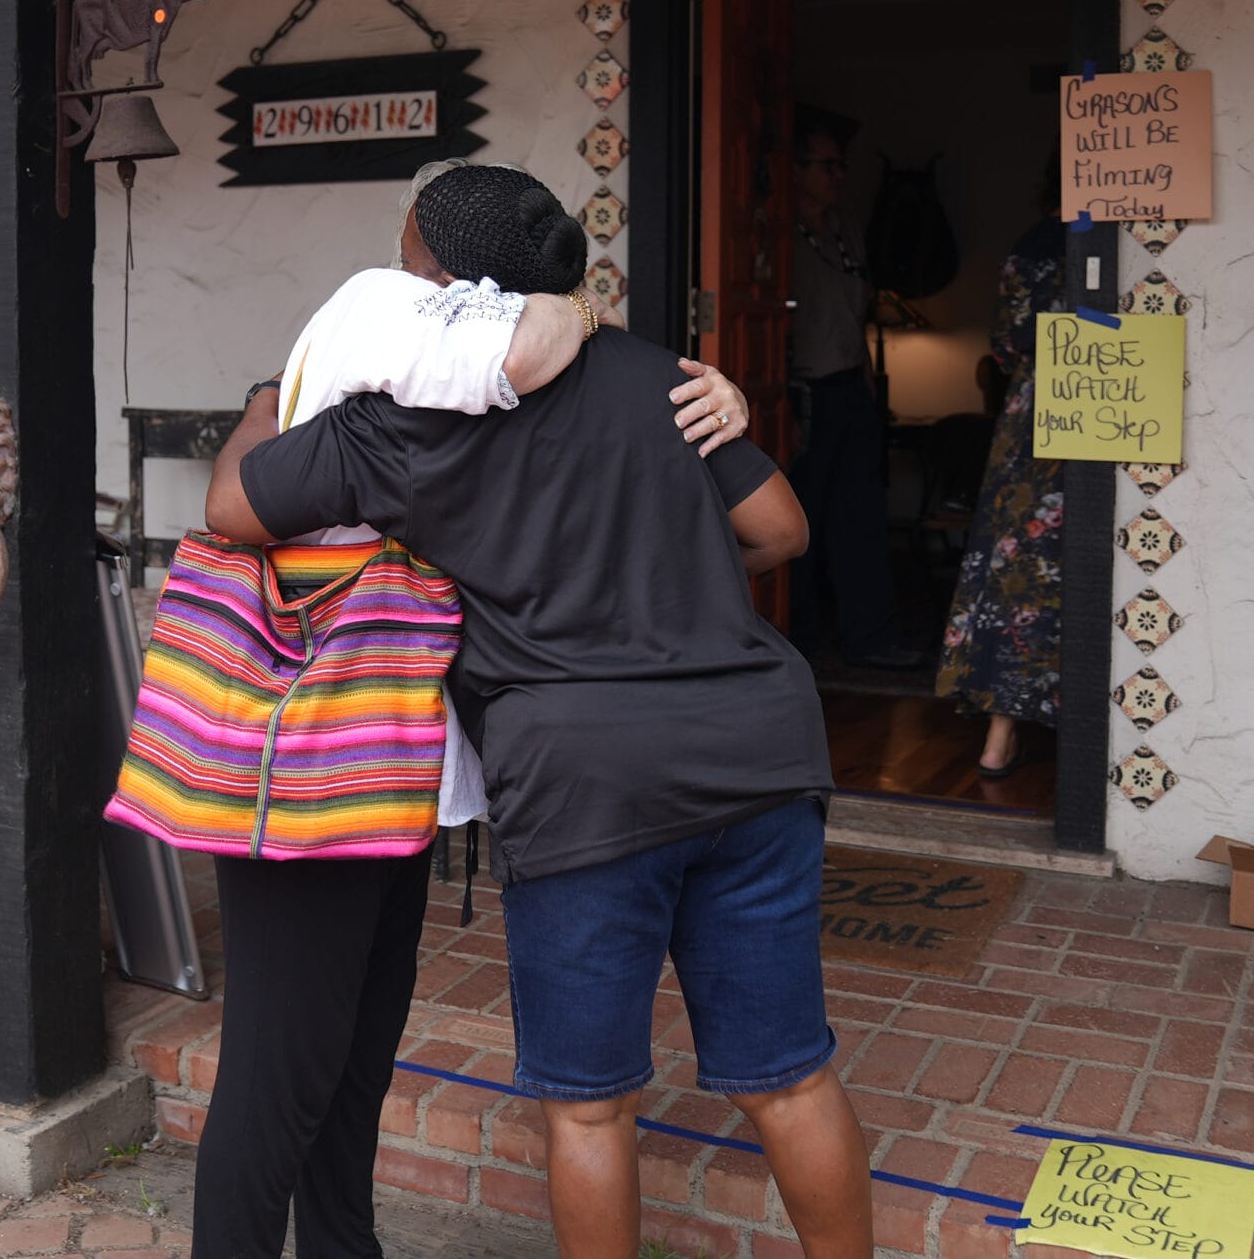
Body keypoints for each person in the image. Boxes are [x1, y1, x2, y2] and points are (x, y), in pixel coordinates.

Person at [206, 164, 875, 1259]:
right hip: (756, 747)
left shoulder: (392, 423)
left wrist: (263, 402)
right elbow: (783, 529)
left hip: (582, 780)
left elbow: (233, 507)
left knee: (591, 1106)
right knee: (790, 1077)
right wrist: (671, 582)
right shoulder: (663, 379)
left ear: (431, 277)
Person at [935, 160, 1067, 775]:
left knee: (1013, 565)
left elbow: (1008, 343)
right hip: (1114, 407)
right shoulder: (1124, 244)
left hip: (1034, 415)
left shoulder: (1034, 243)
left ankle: (998, 737)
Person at [788, 106, 919, 670]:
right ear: (795, 169)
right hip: (801, 395)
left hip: (849, 389)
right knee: (799, 521)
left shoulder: (848, 229)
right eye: (827, 165)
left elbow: (856, 318)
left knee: (860, 518)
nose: (839, 175)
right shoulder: (774, 233)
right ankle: (795, 644)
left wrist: (870, 393)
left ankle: (871, 638)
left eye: (842, 165)